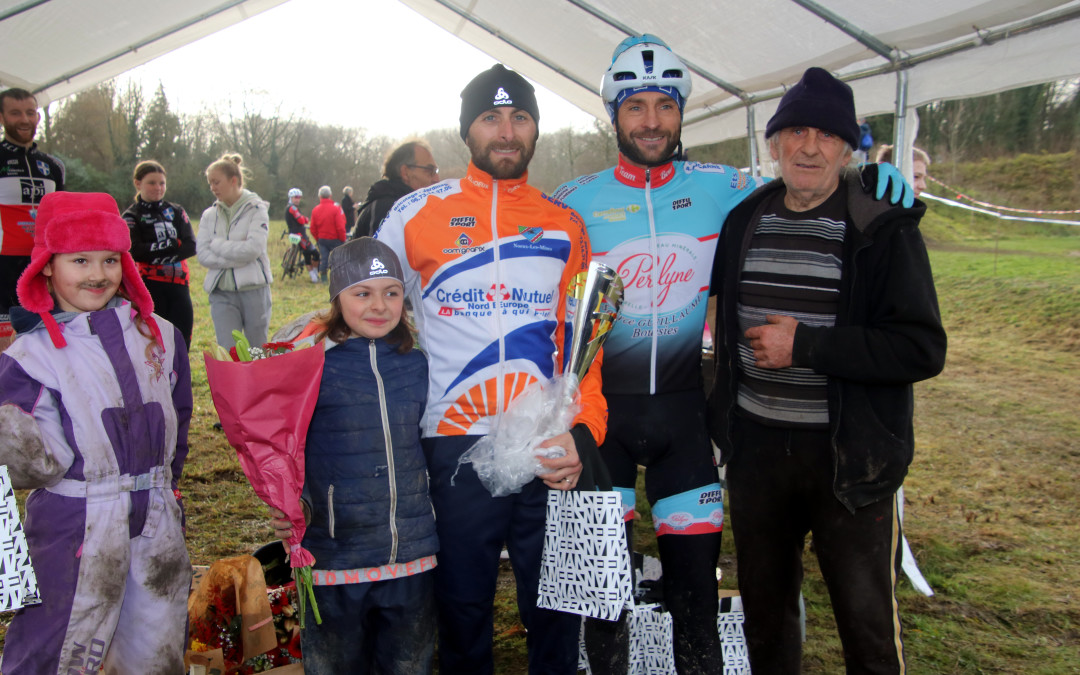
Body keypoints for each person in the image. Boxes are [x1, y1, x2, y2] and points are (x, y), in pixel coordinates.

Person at [554, 36, 917, 674]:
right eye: (634, 106)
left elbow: (809, 179)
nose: (650, 121)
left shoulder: (728, 189)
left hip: (686, 421)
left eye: (663, 106)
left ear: (681, 113)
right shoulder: (571, 200)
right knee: (597, 600)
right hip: (597, 423)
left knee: (697, 596)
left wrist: (871, 178)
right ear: (612, 113)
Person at [707, 67, 947, 673]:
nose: (809, 146)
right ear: (774, 144)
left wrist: (808, 347)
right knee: (765, 616)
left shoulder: (882, 228)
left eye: (826, 135)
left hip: (850, 457)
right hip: (759, 453)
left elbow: (920, 348)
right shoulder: (745, 220)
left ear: (847, 148)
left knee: (866, 624)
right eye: (795, 131)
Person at [376, 63, 604, 674]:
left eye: (520, 117)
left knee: (555, 606)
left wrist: (584, 433)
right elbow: (364, 311)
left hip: (546, 442)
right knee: (462, 605)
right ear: (467, 131)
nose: (507, 131)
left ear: (535, 130)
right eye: (491, 118)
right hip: (454, 439)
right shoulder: (414, 214)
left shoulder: (565, 223)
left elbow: (588, 345)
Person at [0, 191, 191, 674]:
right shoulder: (30, 357)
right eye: (79, 259)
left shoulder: (160, 335)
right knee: (57, 646)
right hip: (75, 522)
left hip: (155, 519)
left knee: (156, 645)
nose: (97, 274)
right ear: (46, 265)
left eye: (110, 260)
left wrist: (170, 487)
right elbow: (28, 463)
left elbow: (180, 416)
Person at [268, 237, 438, 674]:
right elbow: (278, 449)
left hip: (412, 556)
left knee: (408, 663)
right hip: (334, 556)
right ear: (336, 299)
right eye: (362, 293)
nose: (379, 306)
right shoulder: (309, 365)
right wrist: (285, 504)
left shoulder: (419, 362)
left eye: (392, 292)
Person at [0, 88, 65, 339]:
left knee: (46, 341)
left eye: (30, 112)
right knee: (7, 346)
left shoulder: (53, 165)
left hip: (45, 264)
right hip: (4, 265)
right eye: (15, 113)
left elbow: (61, 212)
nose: (25, 120)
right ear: (2, 118)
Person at [197, 153, 273, 348]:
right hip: (221, 292)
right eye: (210, 183)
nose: (212, 188)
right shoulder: (208, 215)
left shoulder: (257, 209)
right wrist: (238, 256)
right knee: (228, 349)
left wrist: (218, 245)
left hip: (254, 291)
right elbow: (203, 255)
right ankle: (232, 380)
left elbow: (252, 250)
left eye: (216, 182)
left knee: (257, 348)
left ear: (233, 181)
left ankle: (257, 380)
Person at [122, 160, 197, 350]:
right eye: (152, 182)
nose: (158, 187)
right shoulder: (131, 216)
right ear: (138, 183)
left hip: (179, 286)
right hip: (149, 286)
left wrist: (155, 252)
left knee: (181, 340)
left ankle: (181, 379)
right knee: (153, 341)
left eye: (162, 183)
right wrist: (171, 245)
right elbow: (135, 251)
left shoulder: (176, 211)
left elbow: (190, 246)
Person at [352, 140, 439, 239]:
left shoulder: (414, 207)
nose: (437, 179)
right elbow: (379, 253)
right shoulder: (386, 209)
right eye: (429, 171)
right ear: (406, 172)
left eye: (436, 171)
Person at [310, 185, 346, 283]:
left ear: (319, 196)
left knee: (324, 258)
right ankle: (339, 279)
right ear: (330, 195)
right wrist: (343, 238)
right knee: (338, 259)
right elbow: (340, 226)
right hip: (335, 239)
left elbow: (312, 228)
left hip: (322, 239)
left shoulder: (315, 209)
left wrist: (318, 238)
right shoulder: (336, 208)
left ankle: (324, 278)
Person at [285, 187, 321, 283]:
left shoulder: (293, 207)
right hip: (298, 236)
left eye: (299, 197)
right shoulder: (292, 208)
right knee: (314, 253)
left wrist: (304, 219)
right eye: (295, 197)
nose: (297, 199)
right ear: (291, 198)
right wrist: (305, 219)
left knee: (308, 254)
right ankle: (314, 276)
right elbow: (301, 220)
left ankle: (314, 276)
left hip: (299, 235)